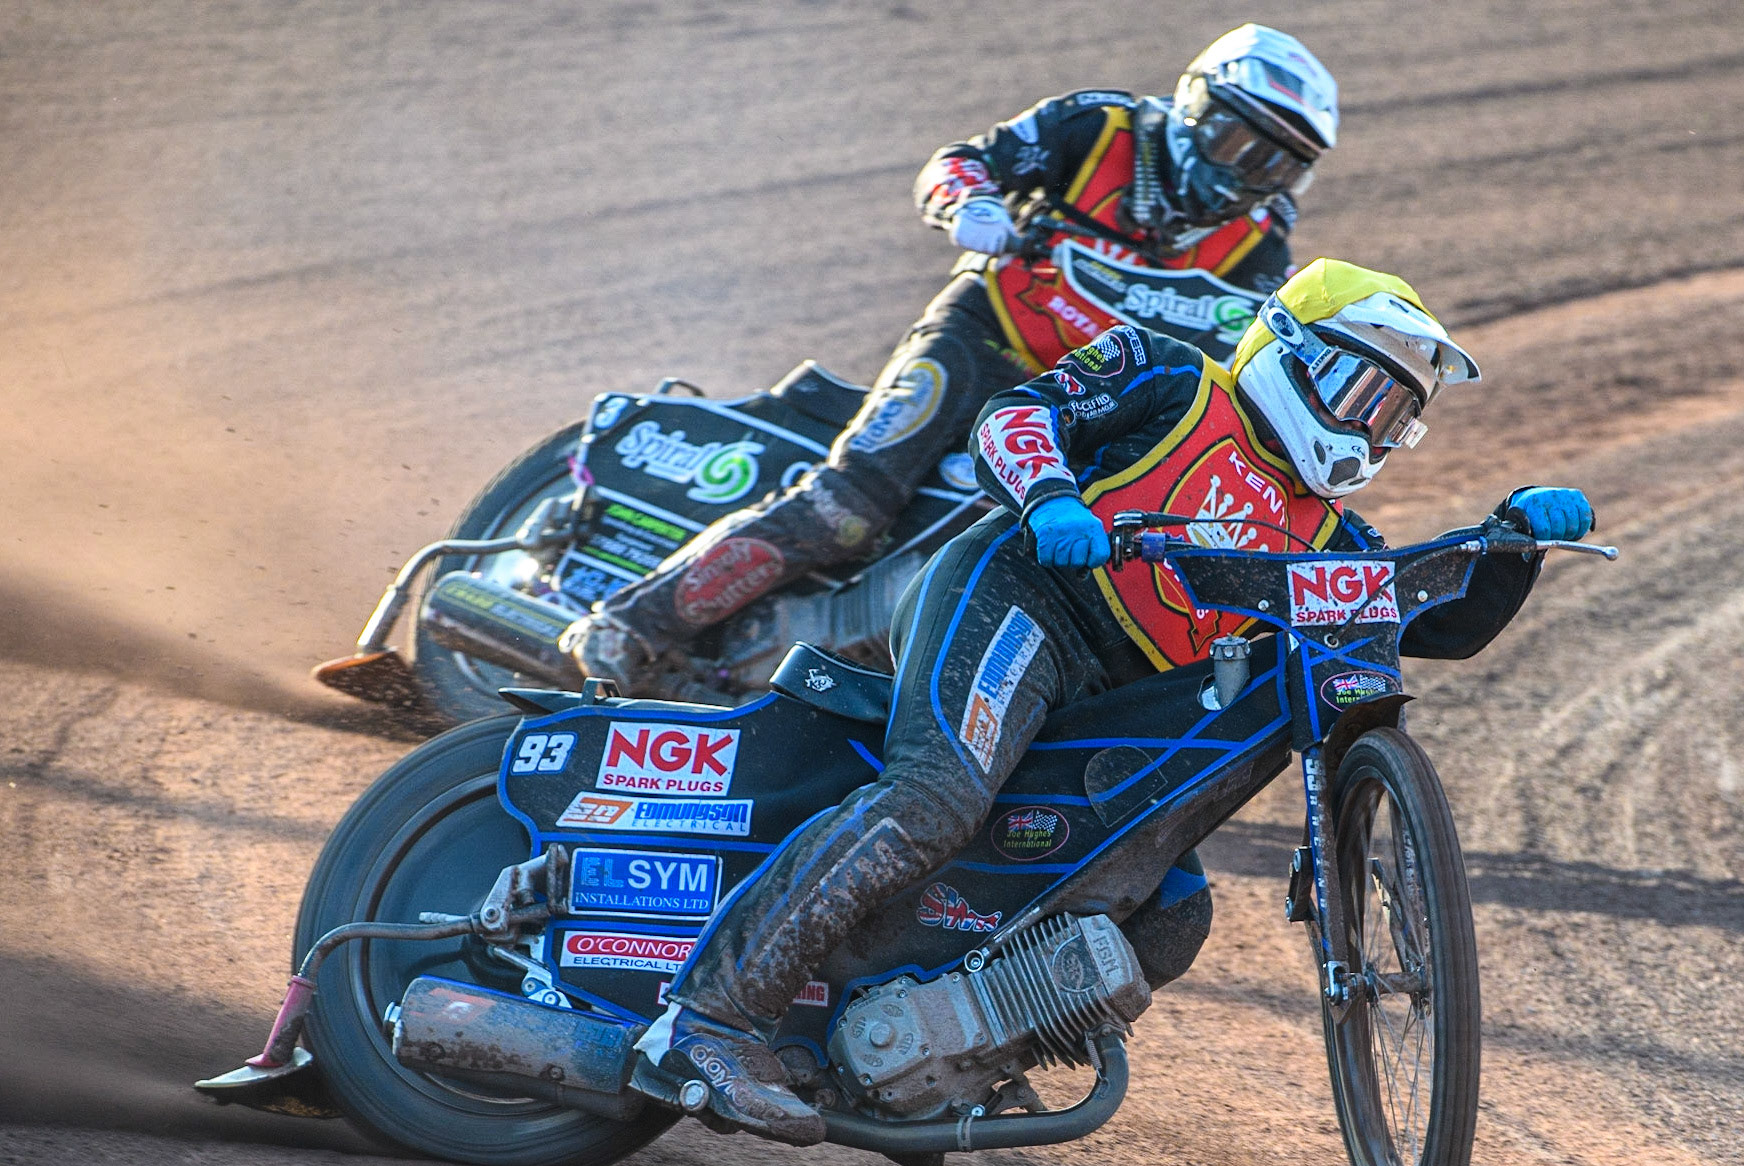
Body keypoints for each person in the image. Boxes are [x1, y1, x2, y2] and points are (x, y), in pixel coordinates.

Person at [629, 258, 1597, 1145]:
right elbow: (1015, 413)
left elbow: (1431, 623)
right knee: (933, 798)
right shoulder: (1172, 378)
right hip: (1022, 599)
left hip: (1116, 695)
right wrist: (1051, 496)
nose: (1365, 428)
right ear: (1285, 350)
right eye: (1356, 391)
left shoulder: (1333, 535)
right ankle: (705, 1022)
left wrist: (1505, 550)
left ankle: (935, 1057)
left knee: (1169, 912)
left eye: (1391, 416)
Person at [562, 25, 1342, 692]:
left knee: (1051, 551)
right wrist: (971, 205)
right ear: (1195, 106)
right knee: (849, 506)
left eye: (1278, 163)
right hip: (981, 338)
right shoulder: (1101, 126)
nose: (1248, 173)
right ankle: (624, 627)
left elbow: (1246, 346)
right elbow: (964, 160)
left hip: (1083, 397)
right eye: (1239, 141)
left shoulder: (1260, 237)